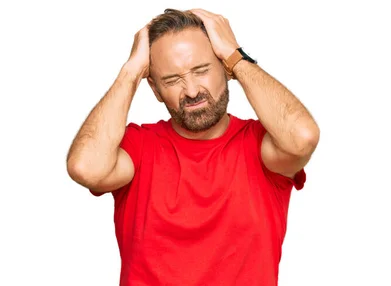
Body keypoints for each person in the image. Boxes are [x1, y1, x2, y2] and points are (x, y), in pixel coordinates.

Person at [66, 8, 319, 286]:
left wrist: (237, 57)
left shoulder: (261, 146)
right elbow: (85, 167)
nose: (191, 90)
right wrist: (130, 73)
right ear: (154, 90)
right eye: (172, 80)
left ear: (225, 67)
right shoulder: (137, 147)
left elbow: (302, 137)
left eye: (201, 71)